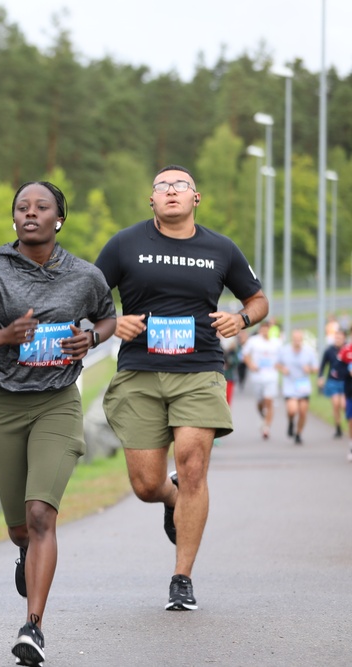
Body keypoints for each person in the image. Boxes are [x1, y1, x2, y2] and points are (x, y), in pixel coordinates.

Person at [0, 181, 116, 666]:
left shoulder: (85, 276)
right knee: (21, 528)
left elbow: (106, 317)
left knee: (43, 514)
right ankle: (25, 551)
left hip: (58, 403)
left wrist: (91, 336)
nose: (31, 213)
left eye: (42, 207)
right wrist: (4, 334)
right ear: (14, 218)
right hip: (5, 405)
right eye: (22, 207)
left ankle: (33, 627)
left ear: (58, 218)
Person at [94, 165, 268, 612]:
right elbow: (86, 296)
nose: (171, 191)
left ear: (196, 198)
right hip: (140, 372)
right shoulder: (124, 244)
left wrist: (242, 318)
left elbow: (258, 299)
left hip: (199, 369)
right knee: (146, 484)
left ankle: (182, 577)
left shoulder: (220, 248)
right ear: (151, 200)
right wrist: (113, 323)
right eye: (162, 186)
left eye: (180, 186)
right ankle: (170, 500)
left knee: (193, 469)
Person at [276, 329, 317, 445]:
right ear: (292, 339)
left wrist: (309, 369)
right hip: (290, 384)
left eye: (299, 339)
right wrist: (283, 369)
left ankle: (298, 433)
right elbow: (277, 364)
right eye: (295, 339)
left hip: (303, 384)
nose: (297, 342)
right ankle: (290, 422)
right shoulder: (284, 351)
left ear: (302, 340)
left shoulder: (309, 352)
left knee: (303, 412)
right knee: (292, 410)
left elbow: (315, 368)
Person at [243, 323, 282, 439]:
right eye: (263, 330)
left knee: (269, 401)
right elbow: (245, 355)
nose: (264, 332)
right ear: (260, 330)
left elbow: (282, 357)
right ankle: (262, 415)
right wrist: (251, 365)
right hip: (257, 376)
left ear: (270, 330)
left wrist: (278, 365)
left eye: (267, 330)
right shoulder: (253, 341)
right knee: (260, 402)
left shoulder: (276, 342)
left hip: (271, 376)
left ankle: (266, 428)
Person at [317, 328, 348, 439]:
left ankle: (348, 424)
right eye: (336, 337)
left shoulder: (348, 349)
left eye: (340, 337)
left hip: (345, 381)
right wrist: (320, 377)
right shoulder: (329, 350)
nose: (338, 339)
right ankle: (338, 427)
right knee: (335, 405)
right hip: (333, 381)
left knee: (344, 405)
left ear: (344, 338)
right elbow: (323, 364)